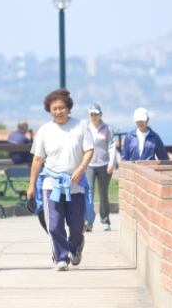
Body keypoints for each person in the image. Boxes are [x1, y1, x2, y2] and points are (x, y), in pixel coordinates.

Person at [26, 89, 93, 271]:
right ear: (49, 110)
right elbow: (38, 159)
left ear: (68, 108)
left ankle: (76, 247)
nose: (58, 112)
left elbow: (89, 150)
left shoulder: (81, 126)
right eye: (54, 109)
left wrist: (81, 168)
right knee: (54, 224)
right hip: (51, 183)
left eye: (61, 108)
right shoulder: (45, 131)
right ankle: (61, 258)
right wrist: (31, 185)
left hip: (75, 183)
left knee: (77, 224)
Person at [84, 103, 116, 232]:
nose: (94, 116)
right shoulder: (85, 128)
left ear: (100, 115)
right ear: (89, 115)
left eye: (96, 114)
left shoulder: (107, 129)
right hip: (89, 165)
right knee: (89, 193)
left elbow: (111, 146)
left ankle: (105, 220)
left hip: (104, 165)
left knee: (103, 194)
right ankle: (89, 221)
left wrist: (111, 163)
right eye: (92, 114)